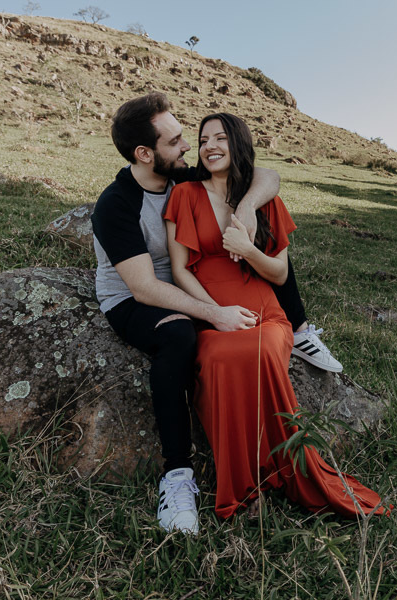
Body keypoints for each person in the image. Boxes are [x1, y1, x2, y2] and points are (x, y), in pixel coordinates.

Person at [91, 93, 341, 534]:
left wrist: (244, 209)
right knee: (179, 338)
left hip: (195, 286)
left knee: (259, 252)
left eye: (190, 137)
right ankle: (177, 476)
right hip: (134, 299)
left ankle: (299, 327)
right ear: (144, 154)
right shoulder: (117, 204)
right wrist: (214, 313)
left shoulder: (179, 177)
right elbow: (144, 287)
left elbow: (262, 174)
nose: (188, 146)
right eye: (177, 140)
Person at [164, 112, 384, 521]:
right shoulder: (186, 194)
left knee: (264, 352)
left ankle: (282, 469)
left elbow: (280, 272)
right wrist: (215, 314)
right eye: (203, 139)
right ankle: (242, 484)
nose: (210, 146)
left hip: (266, 313)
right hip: (213, 312)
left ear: (238, 144)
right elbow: (179, 270)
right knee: (216, 360)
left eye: (220, 138)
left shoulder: (264, 201)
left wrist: (247, 249)